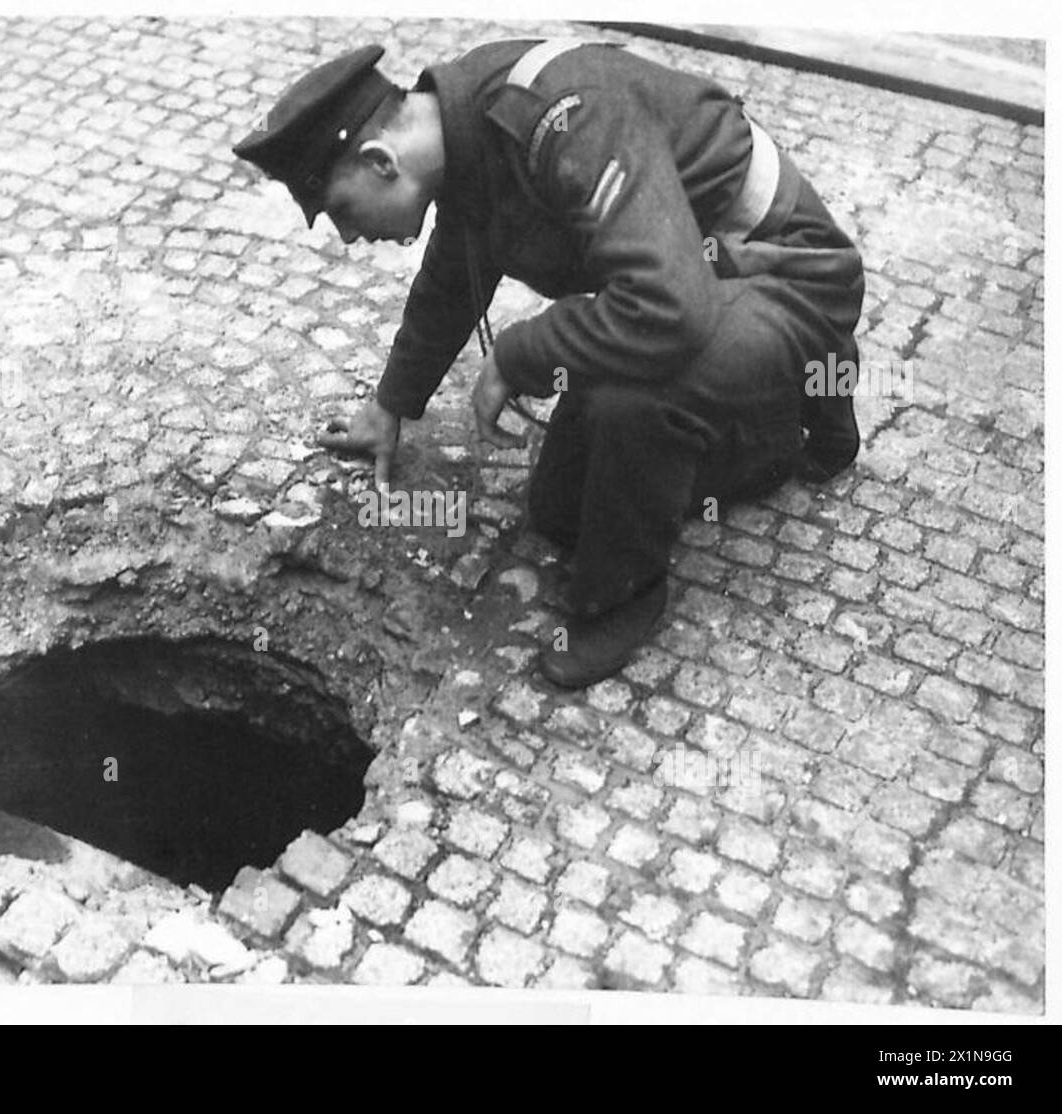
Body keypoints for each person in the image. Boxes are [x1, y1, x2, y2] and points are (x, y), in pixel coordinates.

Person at [232, 39, 864, 688]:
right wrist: (391, 404)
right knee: (563, 513)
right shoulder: (465, 128)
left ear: (379, 160)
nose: (348, 235)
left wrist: (524, 350)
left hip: (783, 276)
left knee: (635, 406)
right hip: (694, 279)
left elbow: (668, 308)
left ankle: (632, 592)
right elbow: (457, 269)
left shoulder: (565, 117)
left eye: (340, 209)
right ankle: (765, 400)